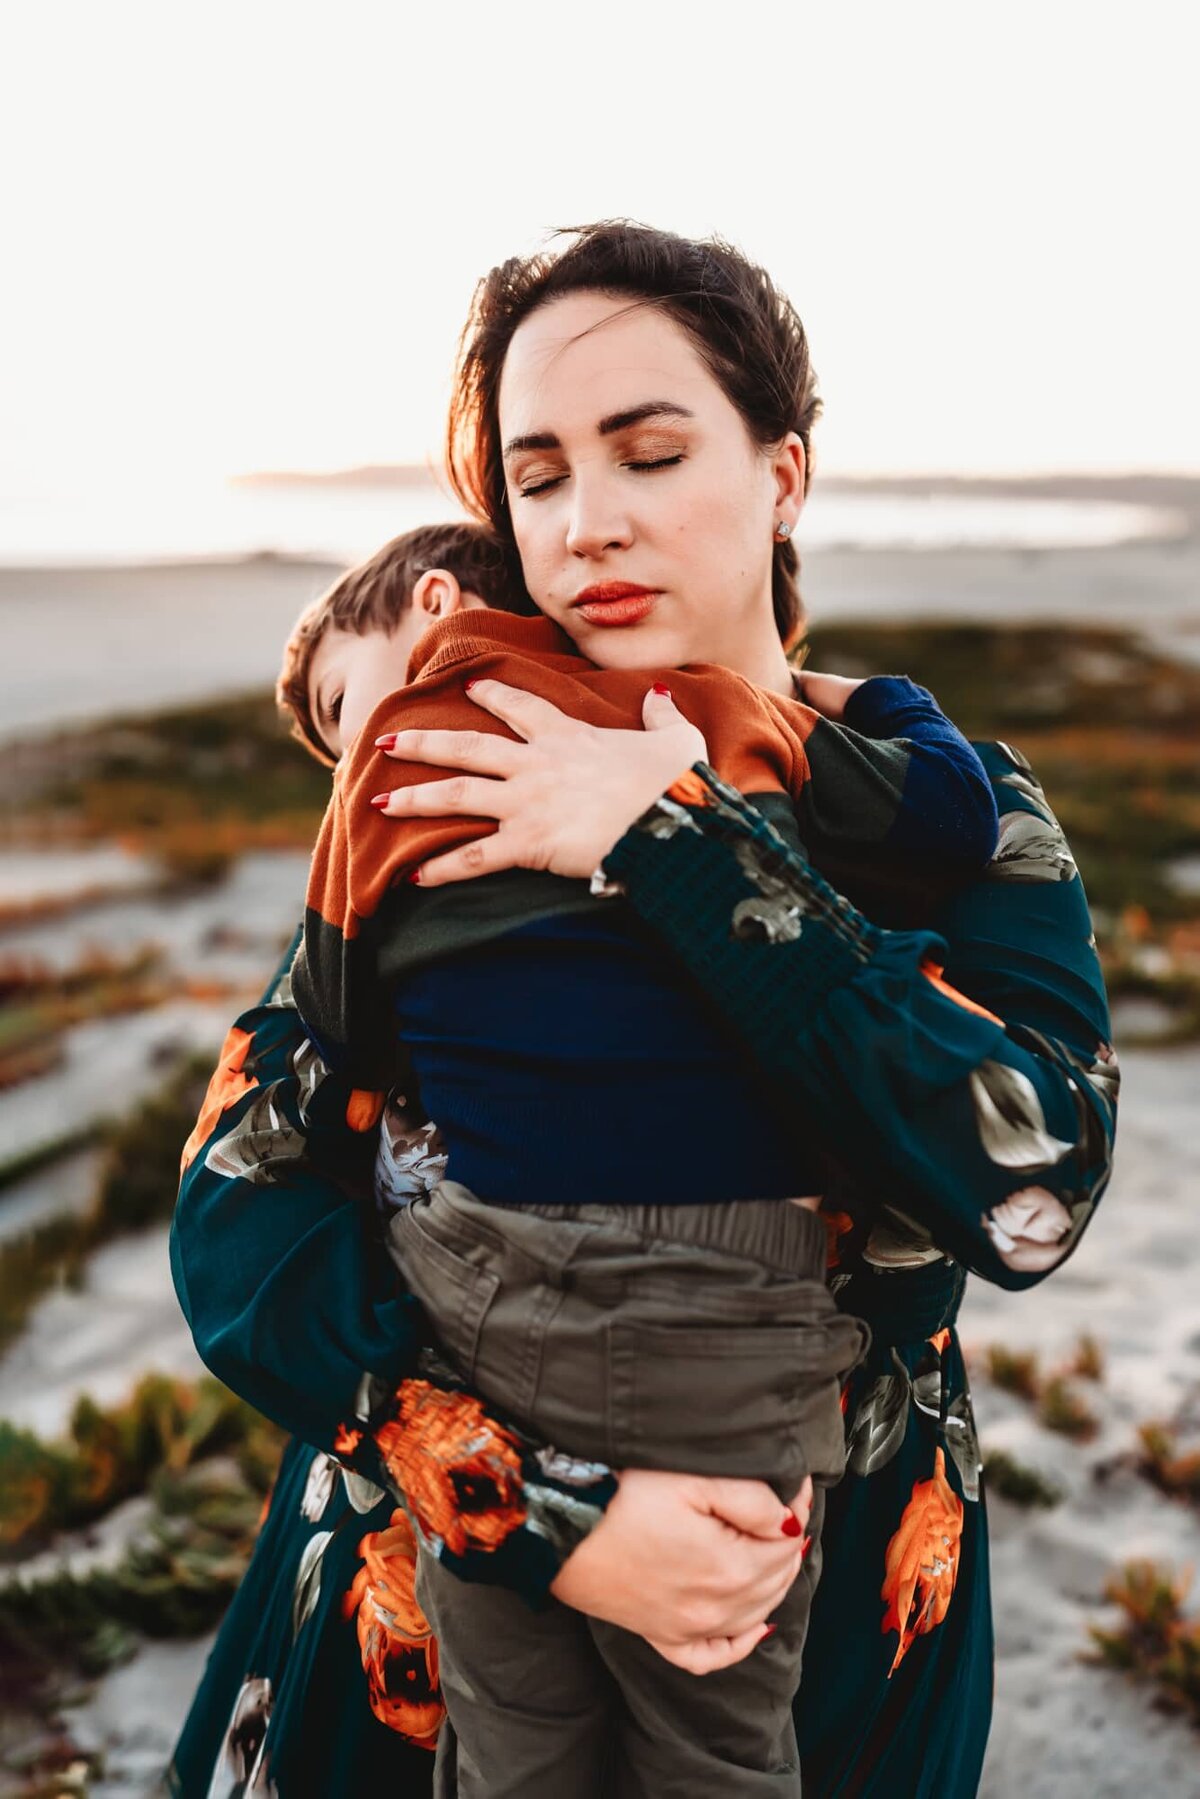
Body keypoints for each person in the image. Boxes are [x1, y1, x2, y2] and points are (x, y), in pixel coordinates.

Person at [168, 222, 1117, 1799]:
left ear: (784, 475)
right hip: (435, 1589)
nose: (588, 522)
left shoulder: (956, 815)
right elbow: (236, 1195)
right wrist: (552, 1516)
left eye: (652, 451)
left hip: (813, 1576)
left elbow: (1036, 1186)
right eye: (535, 477)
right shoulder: (466, 772)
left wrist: (673, 839)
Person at [263, 513, 1001, 1794]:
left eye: (342, 706)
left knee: (514, 1743)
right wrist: (858, 702)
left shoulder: (389, 768)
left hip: (498, 1315)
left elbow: (332, 1023)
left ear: (433, 607)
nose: (345, 756)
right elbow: (949, 808)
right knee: (720, 1740)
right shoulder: (696, 711)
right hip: (748, 1320)